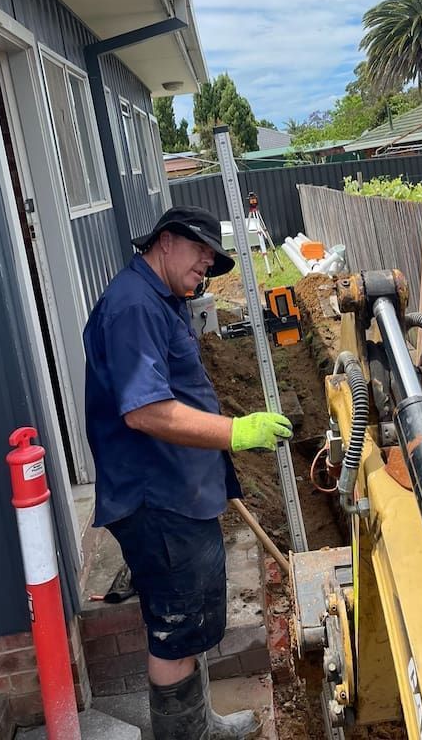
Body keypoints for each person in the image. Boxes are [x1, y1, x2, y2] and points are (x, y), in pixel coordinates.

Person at [84, 205, 292, 740]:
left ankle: (204, 724)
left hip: (180, 490)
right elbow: (144, 410)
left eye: (212, 259)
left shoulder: (161, 298)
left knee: (193, 625)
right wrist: (235, 432)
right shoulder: (132, 308)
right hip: (157, 501)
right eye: (201, 253)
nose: (206, 266)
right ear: (165, 242)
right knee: (173, 634)